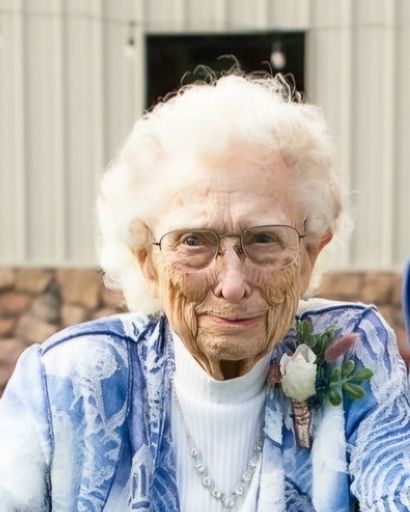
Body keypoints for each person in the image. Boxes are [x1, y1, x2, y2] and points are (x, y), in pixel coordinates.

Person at [0, 72, 409, 512]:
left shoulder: (349, 353)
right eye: (194, 241)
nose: (232, 285)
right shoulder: (64, 385)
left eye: (264, 239)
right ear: (146, 259)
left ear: (309, 252)